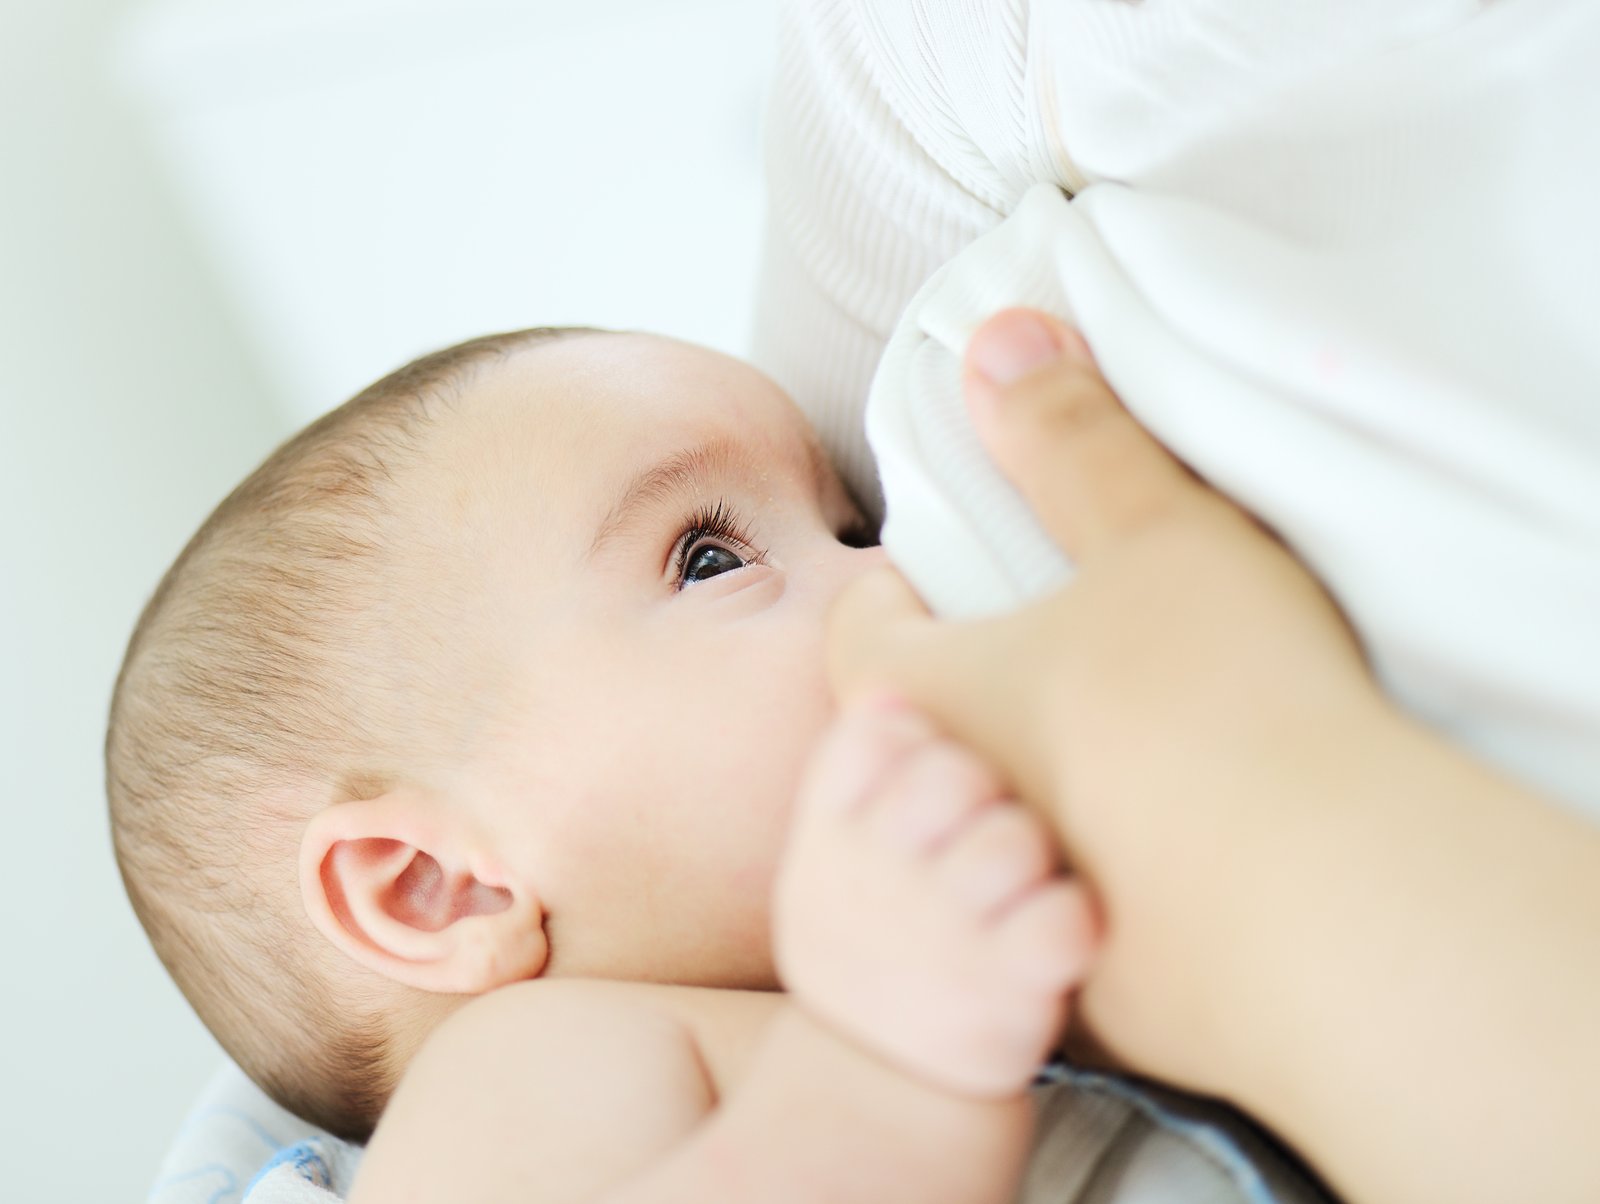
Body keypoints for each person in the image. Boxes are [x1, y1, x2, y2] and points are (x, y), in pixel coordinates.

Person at [108, 322, 1330, 1204]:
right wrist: (886, 1051)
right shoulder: (520, 1068)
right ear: (437, 888)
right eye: (707, 557)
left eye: (850, 520)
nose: (889, 569)